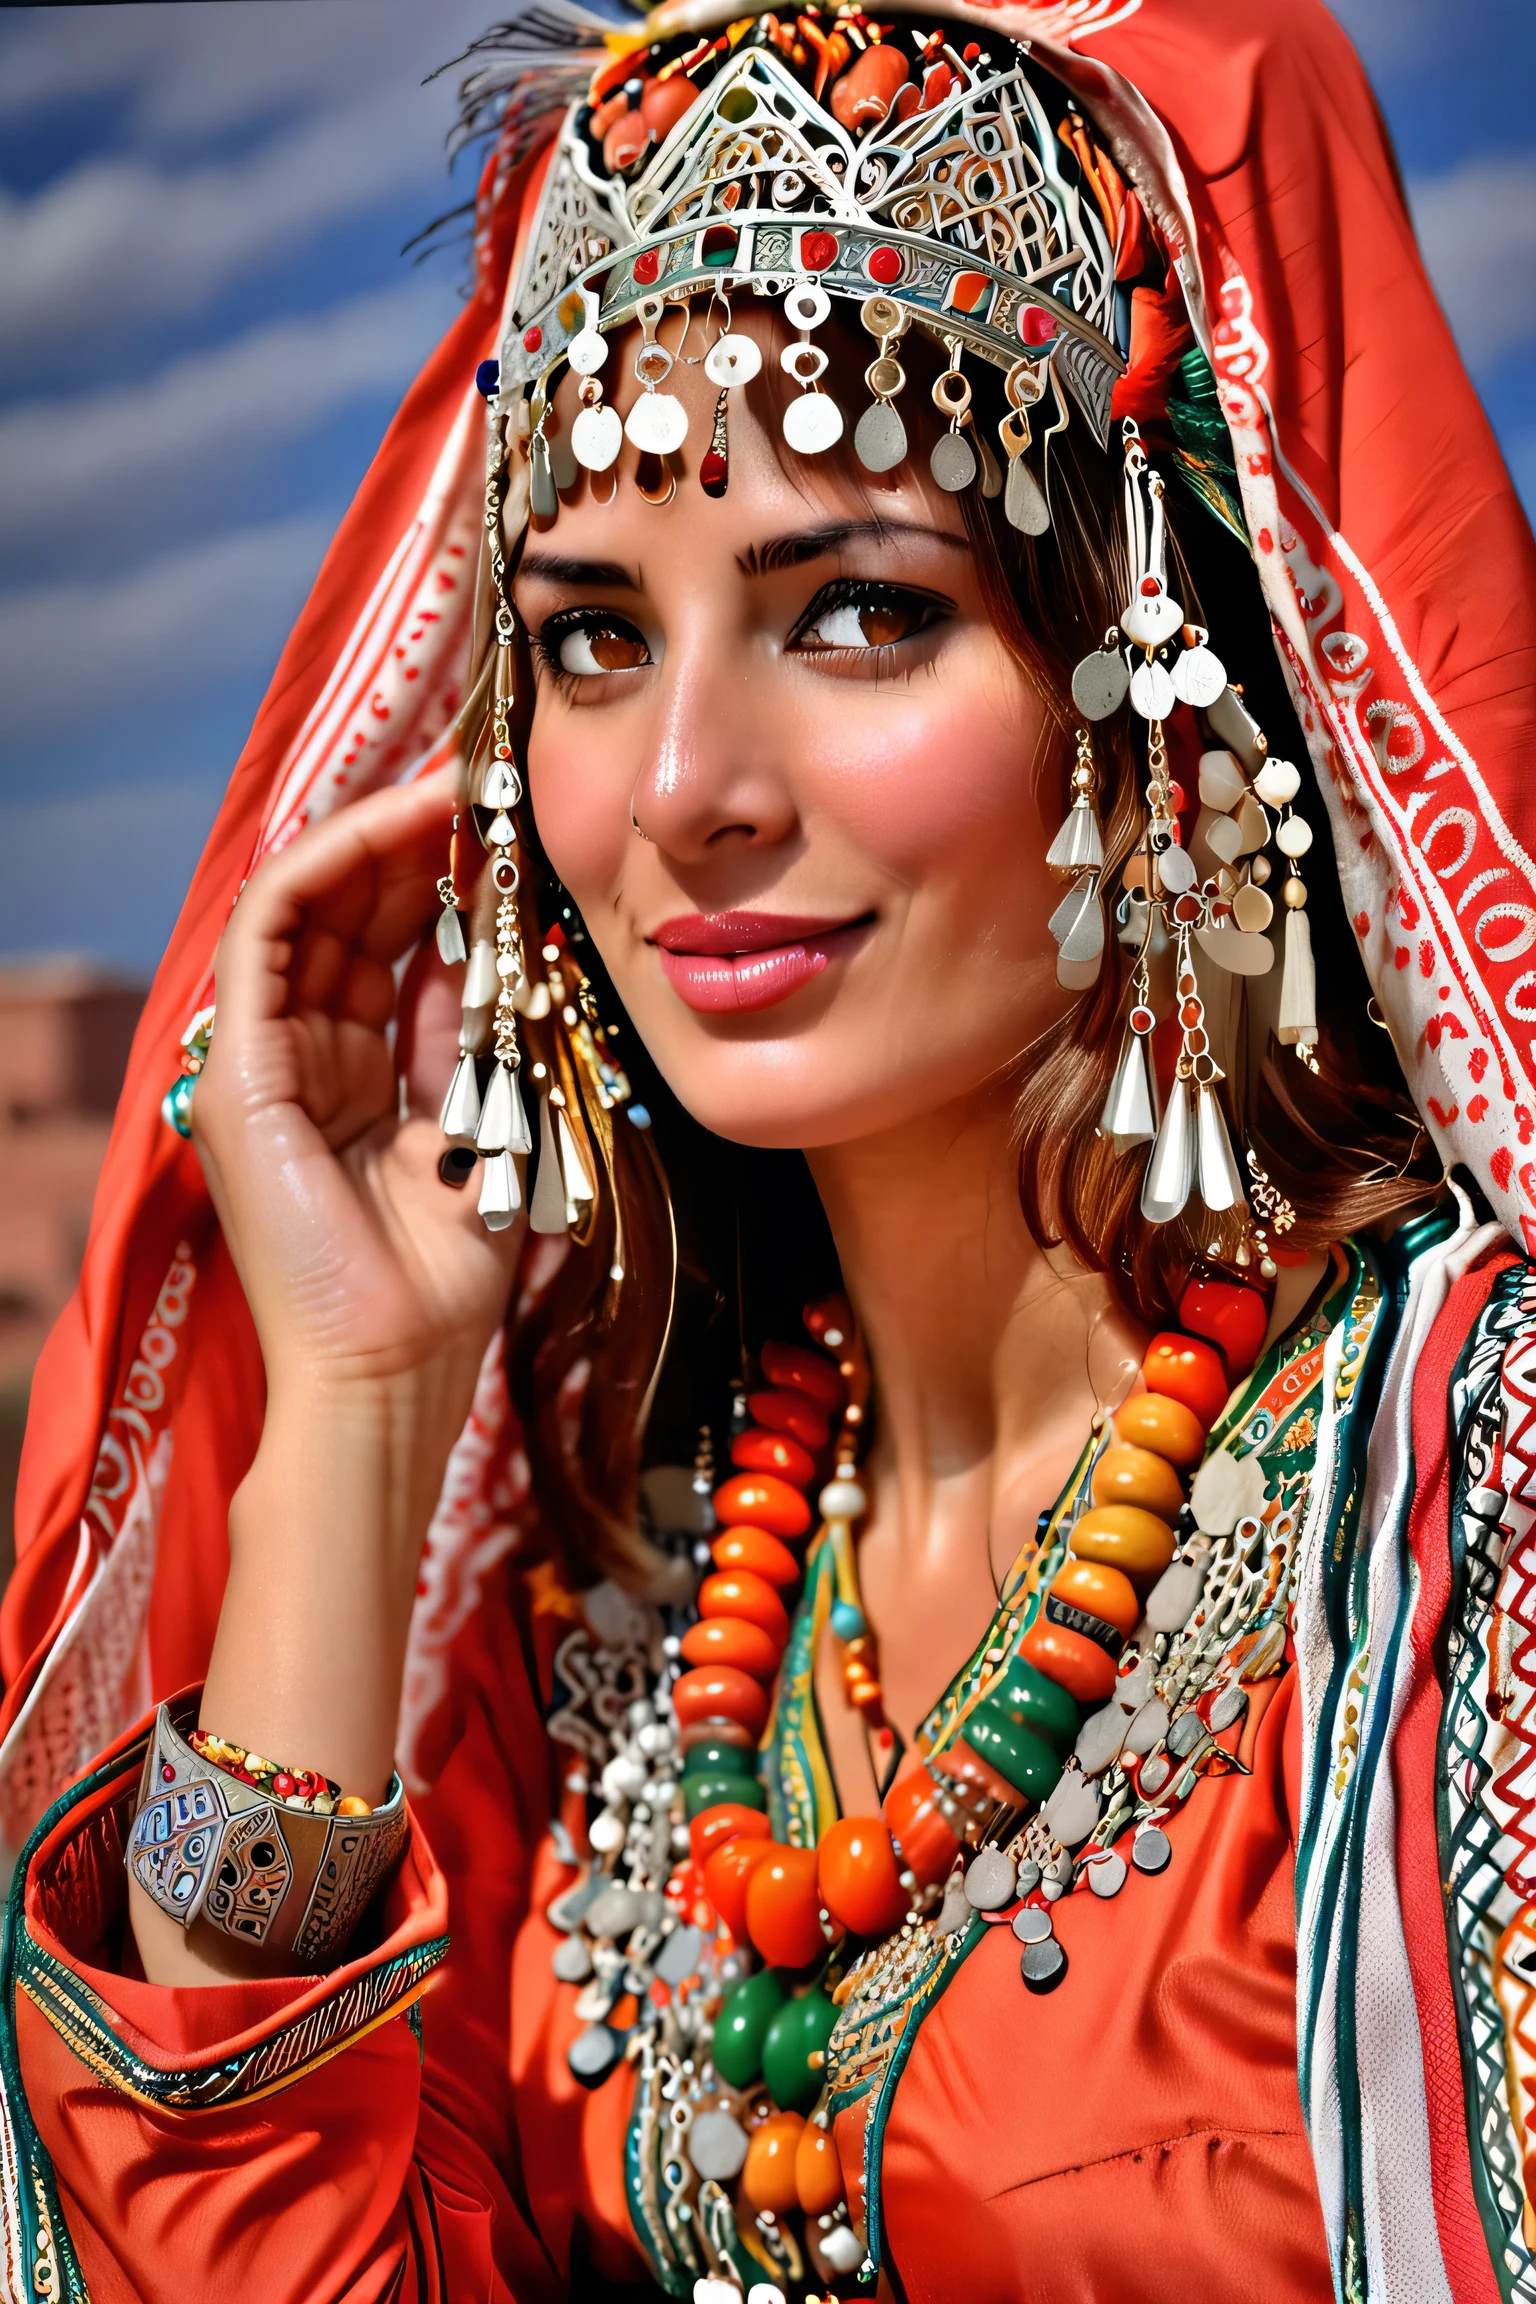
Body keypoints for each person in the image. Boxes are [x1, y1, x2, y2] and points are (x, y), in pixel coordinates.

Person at [3, 0, 1535, 2296]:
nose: (689, 783)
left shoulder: (1455, 1513)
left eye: (861, 613)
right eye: (594, 643)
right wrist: (350, 1412)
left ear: (1158, 693)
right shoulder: (618, 1589)